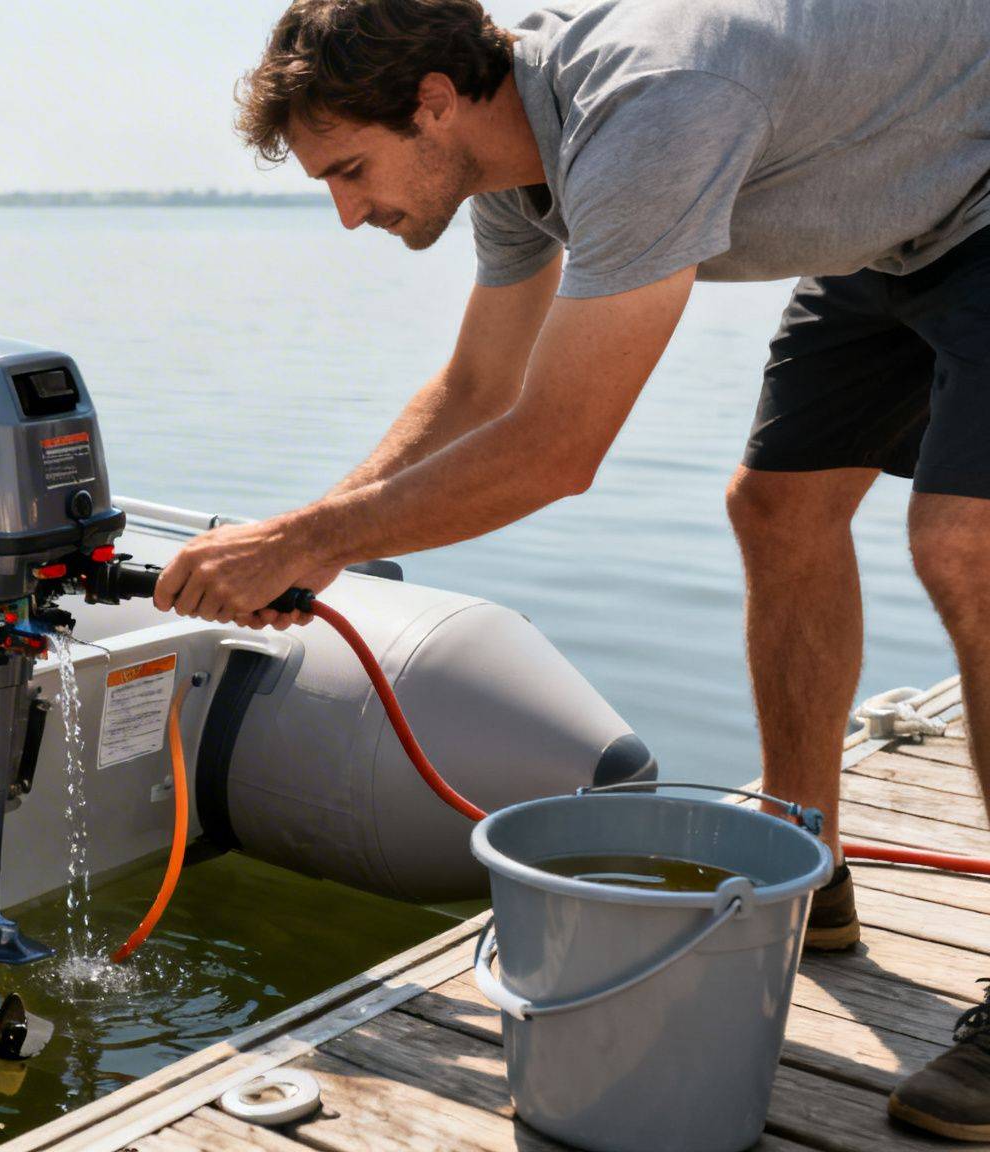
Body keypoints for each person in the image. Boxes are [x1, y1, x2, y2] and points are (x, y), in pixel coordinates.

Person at [152, 0, 990, 1137]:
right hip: (891, 223)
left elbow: (554, 448)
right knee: (776, 507)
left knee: (962, 544)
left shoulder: (650, 113)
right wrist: (308, 536)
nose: (347, 214)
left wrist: (301, 548)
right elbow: (475, 393)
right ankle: (812, 857)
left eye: (349, 171)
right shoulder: (512, 160)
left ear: (434, 102)